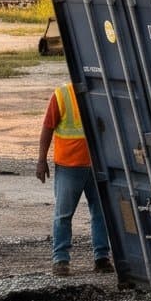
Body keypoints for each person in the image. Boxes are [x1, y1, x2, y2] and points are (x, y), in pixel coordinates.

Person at [36, 85, 111, 277]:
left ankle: (102, 258)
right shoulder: (62, 95)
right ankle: (60, 259)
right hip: (70, 166)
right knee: (64, 214)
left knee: (101, 213)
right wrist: (41, 160)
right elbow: (47, 127)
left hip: (96, 166)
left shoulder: (100, 91)